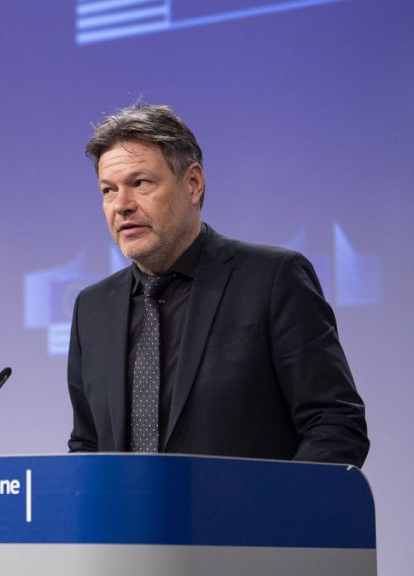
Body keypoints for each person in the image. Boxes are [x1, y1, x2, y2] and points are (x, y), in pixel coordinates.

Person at [66, 104, 369, 466]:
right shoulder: (93, 307)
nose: (122, 205)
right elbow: (87, 444)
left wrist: (282, 513)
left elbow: (334, 422)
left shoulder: (273, 279)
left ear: (193, 183)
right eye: (108, 190)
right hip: (127, 524)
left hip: (248, 520)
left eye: (140, 183)